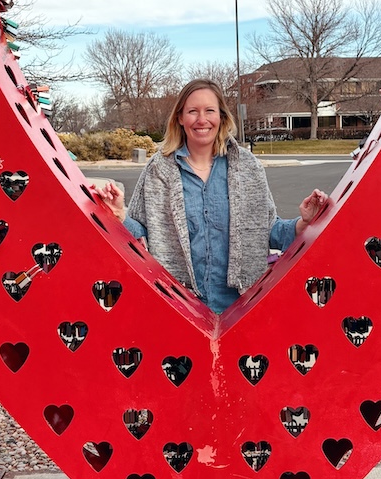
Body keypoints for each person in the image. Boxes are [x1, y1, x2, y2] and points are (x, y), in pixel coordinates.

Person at [94, 79, 332, 313]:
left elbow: (268, 230)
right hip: (177, 308)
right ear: (180, 117)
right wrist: (119, 214)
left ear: (221, 117)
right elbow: (142, 236)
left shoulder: (247, 167)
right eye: (192, 111)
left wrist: (303, 223)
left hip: (240, 308)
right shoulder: (159, 169)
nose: (201, 119)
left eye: (209, 110)